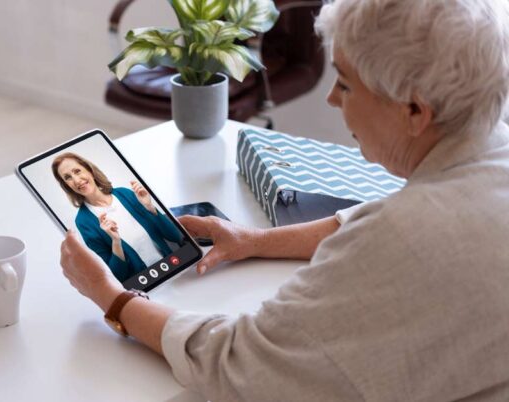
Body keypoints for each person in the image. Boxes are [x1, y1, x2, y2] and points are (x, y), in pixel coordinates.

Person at [59, 0, 509, 400]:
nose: (332, 99)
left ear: (414, 111)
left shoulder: (406, 237)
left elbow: (237, 364)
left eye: (346, 84)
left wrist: (111, 298)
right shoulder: (492, 151)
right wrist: (252, 239)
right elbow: (376, 217)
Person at [52, 152, 183, 282]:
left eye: (77, 171)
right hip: (144, 286)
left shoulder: (126, 194)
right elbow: (116, 276)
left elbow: (176, 236)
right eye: (68, 177)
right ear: (66, 186)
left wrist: (150, 208)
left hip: (172, 268)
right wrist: (116, 242)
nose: (76, 180)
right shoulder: (83, 221)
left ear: (90, 171)